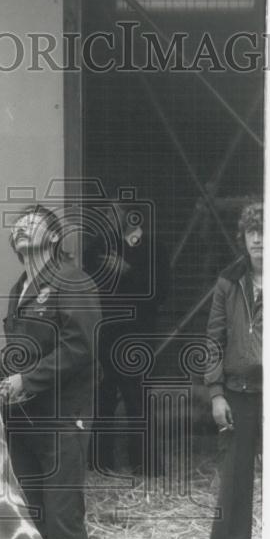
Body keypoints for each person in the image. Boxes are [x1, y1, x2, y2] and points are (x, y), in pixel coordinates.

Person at [0, 204, 101, 539]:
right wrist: (0, 361)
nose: (21, 228)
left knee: (62, 518)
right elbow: (31, 350)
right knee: (32, 519)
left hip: (61, 421)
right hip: (22, 422)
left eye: (32, 224)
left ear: (54, 237)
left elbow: (79, 347)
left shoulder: (73, 280)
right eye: (18, 226)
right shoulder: (20, 288)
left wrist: (27, 379)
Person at [85, 201, 169, 475]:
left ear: (131, 215)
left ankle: (145, 465)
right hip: (105, 334)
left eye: (114, 211)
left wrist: (128, 272)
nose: (108, 216)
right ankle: (100, 462)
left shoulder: (154, 249)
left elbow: (160, 293)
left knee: (137, 400)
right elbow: (86, 281)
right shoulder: (98, 247)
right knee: (102, 397)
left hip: (137, 336)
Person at [203, 201, 263, 539]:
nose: (259, 239)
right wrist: (216, 392)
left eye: (266, 232)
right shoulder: (228, 280)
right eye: (252, 232)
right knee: (235, 474)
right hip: (239, 390)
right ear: (242, 238)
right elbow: (214, 339)